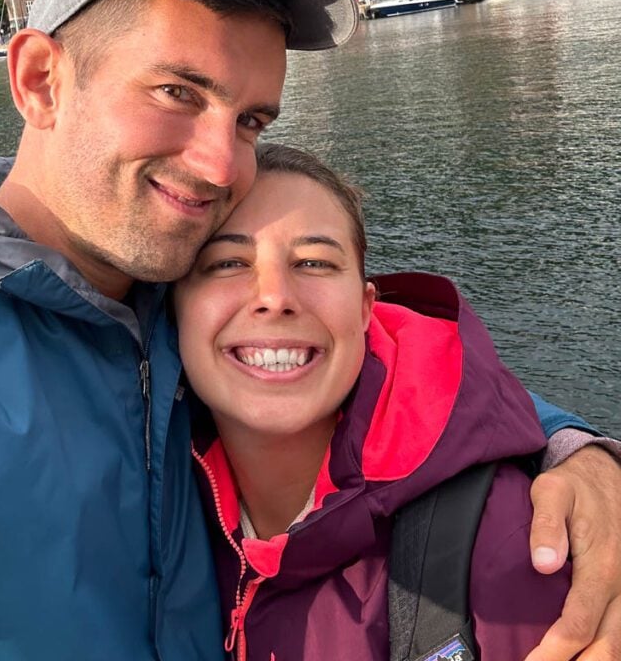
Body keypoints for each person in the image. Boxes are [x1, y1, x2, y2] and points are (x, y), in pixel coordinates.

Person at [0, 0, 617, 661]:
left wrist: (569, 449)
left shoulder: (166, 285)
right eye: (178, 93)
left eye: (250, 120)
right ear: (40, 82)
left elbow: (400, 375)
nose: (222, 166)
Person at [175, 142, 572, 659]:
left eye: (315, 262)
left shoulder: (507, 542)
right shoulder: (147, 501)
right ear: (174, 308)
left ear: (367, 309)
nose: (275, 296)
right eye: (228, 262)